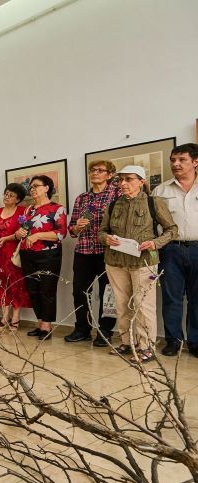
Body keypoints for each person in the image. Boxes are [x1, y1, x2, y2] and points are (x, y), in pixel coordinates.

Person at [98, 165, 177, 363]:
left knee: (144, 306)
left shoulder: (153, 202)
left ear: (141, 182)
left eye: (129, 179)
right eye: (120, 180)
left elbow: (172, 230)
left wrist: (155, 243)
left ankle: (146, 347)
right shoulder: (113, 204)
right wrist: (106, 238)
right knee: (121, 304)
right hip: (115, 262)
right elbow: (101, 232)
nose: (123, 183)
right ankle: (127, 342)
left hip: (144, 262)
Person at [64, 160, 121, 346]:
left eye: (100, 170)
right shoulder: (81, 198)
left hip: (108, 251)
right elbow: (71, 229)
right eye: (92, 170)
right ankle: (82, 329)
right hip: (83, 250)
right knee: (80, 292)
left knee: (108, 293)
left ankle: (105, 331)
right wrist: (77, 227)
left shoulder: (117, 194)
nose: (95, 173)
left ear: (110, 175)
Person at [152, 143, 198, 357]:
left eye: (182, 160)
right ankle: (173, 341)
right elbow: (153, 224)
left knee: (197, 298)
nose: (176, 164)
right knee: (171, 298)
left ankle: (195, 341)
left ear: (195, 162)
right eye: (173, 160)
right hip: (170, 250)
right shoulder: (160, 191)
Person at [15, 175, 68, 339]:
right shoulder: (28, 210)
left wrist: (38, 236)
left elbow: (61, 233)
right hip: (27, 253)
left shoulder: (57, 208)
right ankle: (39, 323)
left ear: (46, 188)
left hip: (48, 254)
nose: (32, 189)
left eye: (36, 186)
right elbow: (23, 231)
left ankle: (46, 325)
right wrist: (19, 233)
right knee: (33, 290)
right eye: (31, 187)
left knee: (47, 289)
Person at [0, 183, 31, 330]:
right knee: (0, 285)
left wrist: (6, 239)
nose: (7, 197)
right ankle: (4, 317)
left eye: (11, 195)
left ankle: (16, 317)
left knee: (15, 285)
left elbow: (24, 232)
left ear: (18, 199)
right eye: (6, 194)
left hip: (14, 254)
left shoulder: (22, 212)